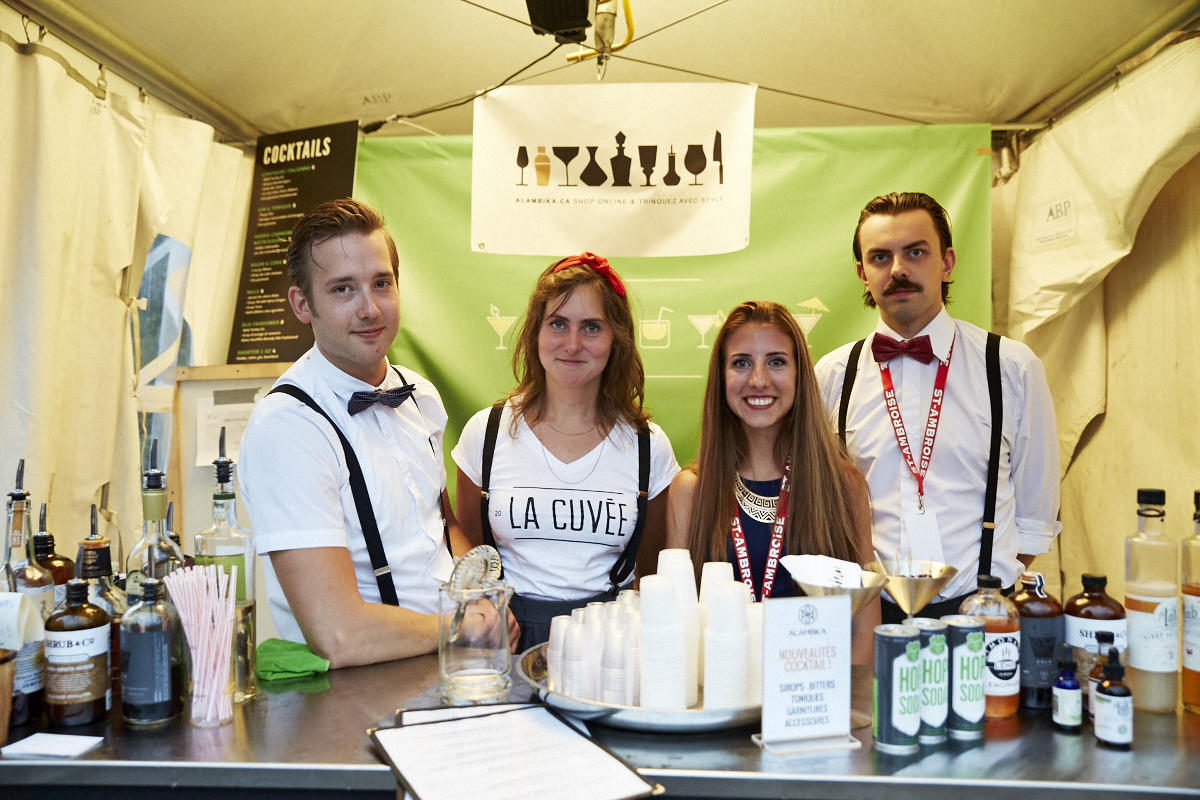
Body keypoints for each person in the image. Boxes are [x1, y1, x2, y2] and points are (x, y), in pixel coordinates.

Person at [239, 198, 515, 668]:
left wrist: (483, 597)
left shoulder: (419, 394)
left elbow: (442, 525)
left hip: (449, 663)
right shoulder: (287, 426)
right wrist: (460, 626)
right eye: (343, 289)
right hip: (361, 687)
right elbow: (338, 634)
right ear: (303, 304)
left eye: (381, 283)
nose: (369, 308)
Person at [814, 191, 1061, 624]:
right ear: (862, 274)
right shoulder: (833, 375)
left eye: (915, 252)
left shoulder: (1011, 368)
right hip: (869, 620)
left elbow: (1034, 520)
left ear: (946, 262)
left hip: (981, 619)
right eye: (880, 257)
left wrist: (983, 594)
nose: (898, 269)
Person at [454, 253, 680, 652]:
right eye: (558, 324)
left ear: (616, 339)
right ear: (535, 333)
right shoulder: (485, 433)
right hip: (507, 642)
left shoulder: (649, 447)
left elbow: (651, 576)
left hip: (611, 647)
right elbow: (473, 557)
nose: (573, 344)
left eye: (591, 327)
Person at [666, 301, 877, 664]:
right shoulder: (690, 490)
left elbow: (864, 625)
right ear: (721, 378)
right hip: (720, 688)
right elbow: (676, 623)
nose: (759, 380)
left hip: (814, 691)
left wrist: (847, 694)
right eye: (741, 363)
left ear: (800, 375)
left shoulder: (844, 485)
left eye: (776, 361)